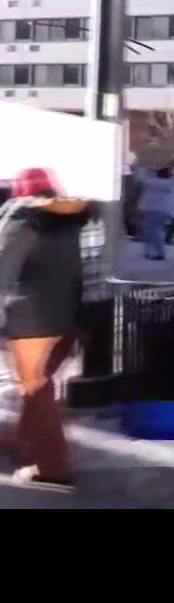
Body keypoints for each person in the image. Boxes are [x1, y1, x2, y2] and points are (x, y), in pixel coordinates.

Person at [0, 169, 95, 486]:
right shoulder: (72, 219)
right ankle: (25, 443)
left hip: (31, 320)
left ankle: (53, 467)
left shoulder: (24, 221)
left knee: (37, 391)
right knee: (40, 386)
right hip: (70, 315)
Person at [136, 164, 174, 260]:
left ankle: (157, 252)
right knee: (156, 230)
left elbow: (140, 179)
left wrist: (142, 166)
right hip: (164, 209)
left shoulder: (153, 182)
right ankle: (153, 251)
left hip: (152, 208)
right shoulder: (171, 182)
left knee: (152, 231)